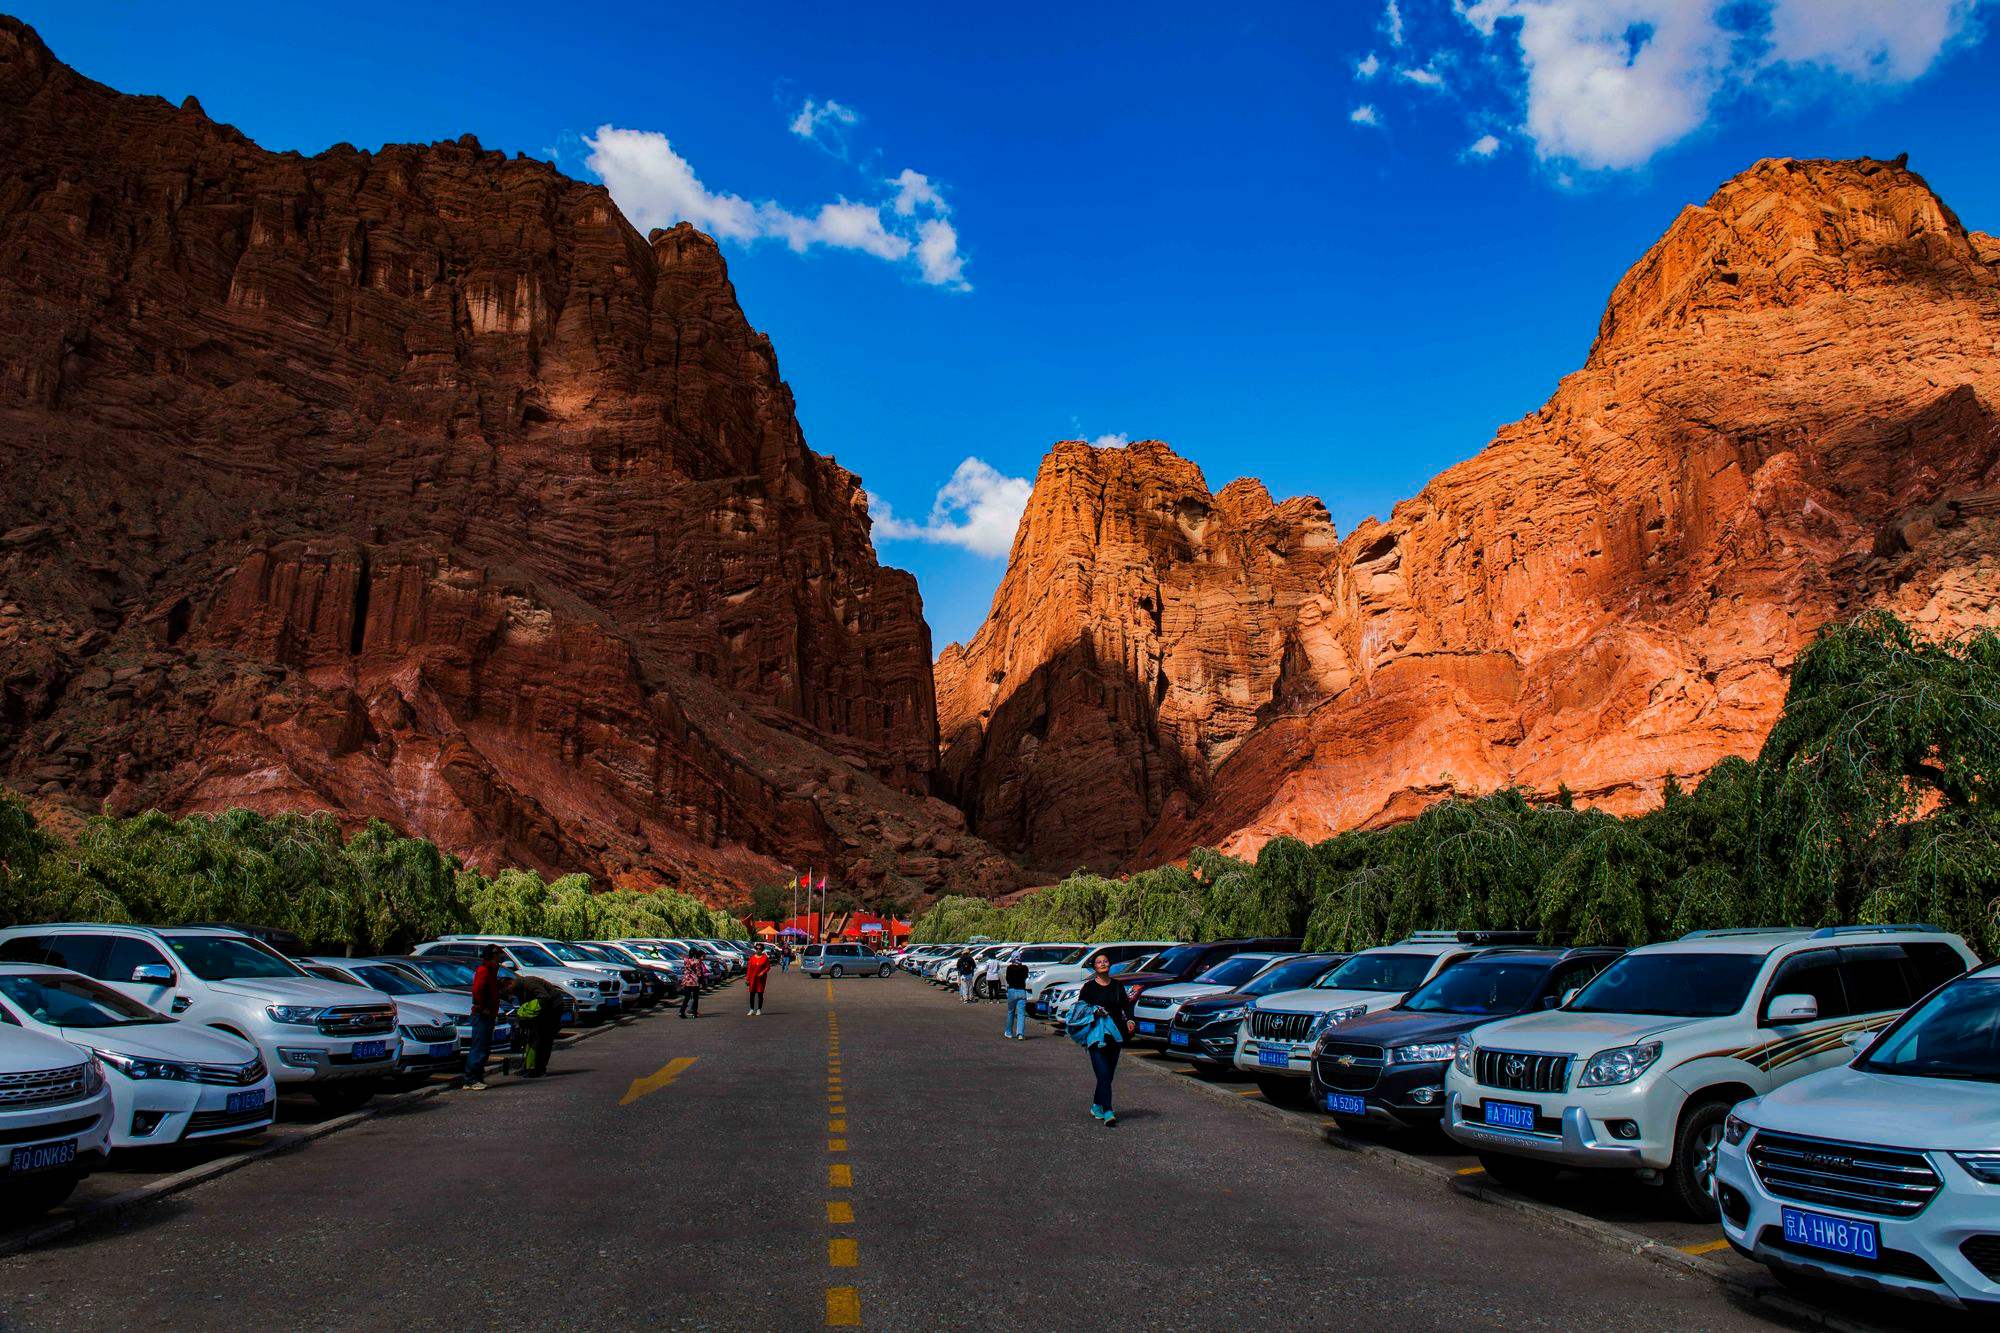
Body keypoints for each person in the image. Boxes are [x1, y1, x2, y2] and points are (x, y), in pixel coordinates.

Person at [1073, 952, 1135, 1125]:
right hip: (1095, 1036)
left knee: (1107, 1076)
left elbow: (1126, 1005)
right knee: (1103, 1074)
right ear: (1094, 966)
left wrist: (1130, 1019)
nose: (1102, 964)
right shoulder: (1088, 988)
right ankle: (1108, 1111)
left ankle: (1096, 1104)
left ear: (1110, 965)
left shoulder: (1117, 986)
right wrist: (1094, 1011)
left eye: (1105, 961)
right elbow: (1081, 1009)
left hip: (1115, 1036)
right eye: (1099, 962)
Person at [464, 945, 503, 1090]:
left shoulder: (492, 971)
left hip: (488, 1013)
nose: (501, 957)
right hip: (482, 1014)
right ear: (493, 955)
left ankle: (476, 1077)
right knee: (479, 1047)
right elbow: (477, 991)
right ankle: (471, 1079)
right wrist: (482, 1008)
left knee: (484, 1047)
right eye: (498, 954)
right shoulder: (484, 970)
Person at [513, 973, 565, 1078]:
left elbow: (544, 998)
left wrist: (532, 1015)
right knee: (532, 1039)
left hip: (552, 1010)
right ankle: (530, 1067)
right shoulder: (519, 988)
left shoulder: (528, 983)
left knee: (544, 1039)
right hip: (543, 1011)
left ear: (509, 984)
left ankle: (539, 1069)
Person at [1003, 952, 1030, 1040]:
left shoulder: (1010, 968)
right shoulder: (1025, 968)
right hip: (1022, 991)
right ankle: (1020, 1033)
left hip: (1012, 991)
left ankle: (1009, 1032)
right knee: (1021, 1013)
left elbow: (1007, 979)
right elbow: (1025, 977)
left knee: (1011, 1012)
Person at [745, 944, 773, 1016]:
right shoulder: (752, 958)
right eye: (757, 949)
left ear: (762, 949)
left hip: (761, 979)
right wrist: (747, 978)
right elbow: (749, 969)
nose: (758, 950)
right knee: (752, 994)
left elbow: (768, 967)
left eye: (760, 949)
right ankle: (751, 1009)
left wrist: (763, 972)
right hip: (752, 978)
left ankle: (759, 1009)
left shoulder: (765, 958)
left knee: (760, 994)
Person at [678, 947, 705, 1019]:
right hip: (694, 981)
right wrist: (701, 981)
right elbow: (698, 972)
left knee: (686, 997)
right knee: (695, 998)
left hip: (686, 980)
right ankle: (694, 1013)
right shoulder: (697, 961)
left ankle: (681, 1012)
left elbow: (685, 969)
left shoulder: (686, 960)